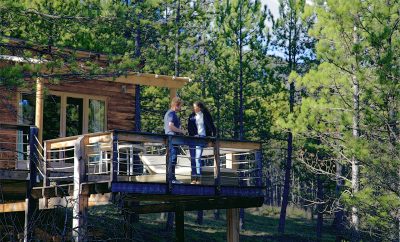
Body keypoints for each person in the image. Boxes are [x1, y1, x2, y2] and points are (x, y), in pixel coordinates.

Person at [187, 101, 216, 184]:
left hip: (202, 138)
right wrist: (193, 135)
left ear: (199, 107)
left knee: (197, 158)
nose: (193, 108)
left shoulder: (205, 115)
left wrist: (212, 137)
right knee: (193, 159)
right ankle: (193, 178)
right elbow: (189, 128)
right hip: (193, 138)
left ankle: (199, 178)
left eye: (195, 106)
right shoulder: (191, 116)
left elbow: (212, 126)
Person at [164, 97, 185, 184]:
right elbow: (171, 126)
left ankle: (171, 178)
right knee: (173, 158)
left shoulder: (168, 113)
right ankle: (172, 179)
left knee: (171, 158)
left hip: (170, 138)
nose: (181, 108)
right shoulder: (171, 113)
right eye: (180, 106)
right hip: (172, 138)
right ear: (176, 105)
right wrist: (181, 131)